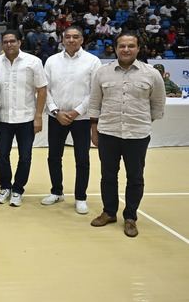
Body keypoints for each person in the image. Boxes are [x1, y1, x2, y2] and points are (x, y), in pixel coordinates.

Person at [89, 32, 166, 237]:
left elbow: (157, 104)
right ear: (115, 48)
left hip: (137, 135)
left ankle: (130, 217)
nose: (126, 49)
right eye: (122, 46)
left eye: (131, 46)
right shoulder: (102, 73)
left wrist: (142, 122)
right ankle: (109, 212)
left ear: (138, 49)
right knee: (108, 175)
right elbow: (95, 103)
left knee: (135, 177)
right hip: (108, 132)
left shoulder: (151, 74)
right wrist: (94, 129)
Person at [42, 27, 102, 214]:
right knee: (54, 156)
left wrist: (77, 111)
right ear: (62, 39)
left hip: (82, 118)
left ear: (82, 40)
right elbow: (45, 89)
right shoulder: (52, 61)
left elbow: (95, 91)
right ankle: (57, 191)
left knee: (82, 159)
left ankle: (80, 197)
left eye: (76, 37)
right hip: (56, 117)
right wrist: (55, 111)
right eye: (67, 37)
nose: (71, 40)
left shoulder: (93, 61)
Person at [0, 30, 47, 207]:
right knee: (2, 155)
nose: (9, 44)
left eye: (12, 41)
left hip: (26, 118)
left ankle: (18, 189)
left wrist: (38, 116)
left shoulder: (33, 62)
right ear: (2, 44)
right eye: (5, 42)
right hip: (3, 118)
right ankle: (5, 187)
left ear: (20, 42)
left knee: (25, 156)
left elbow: (42, 90)